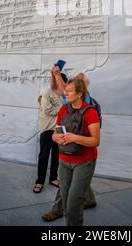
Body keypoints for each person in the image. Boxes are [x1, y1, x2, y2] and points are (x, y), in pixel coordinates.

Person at [41, 71, 97, 222]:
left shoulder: (88, 106)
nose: (66, 91)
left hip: (83, 158)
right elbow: (64, 88)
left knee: (73, 201)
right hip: (66, 157)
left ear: (81, 91)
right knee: (70, 193)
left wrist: (75, 138)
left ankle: (63, 210)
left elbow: (95, 140)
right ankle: (88, 199)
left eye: (71, 89)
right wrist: (56, 136)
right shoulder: (65, 107)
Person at [33, 69, 68, 193]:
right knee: (44, 155)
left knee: (57, 155)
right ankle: (39, 181)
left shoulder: (64, 95)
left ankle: (53, 178)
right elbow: (47, 109)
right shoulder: (46, 92)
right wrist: (62, 109)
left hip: (59, 128)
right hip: (47, 128)